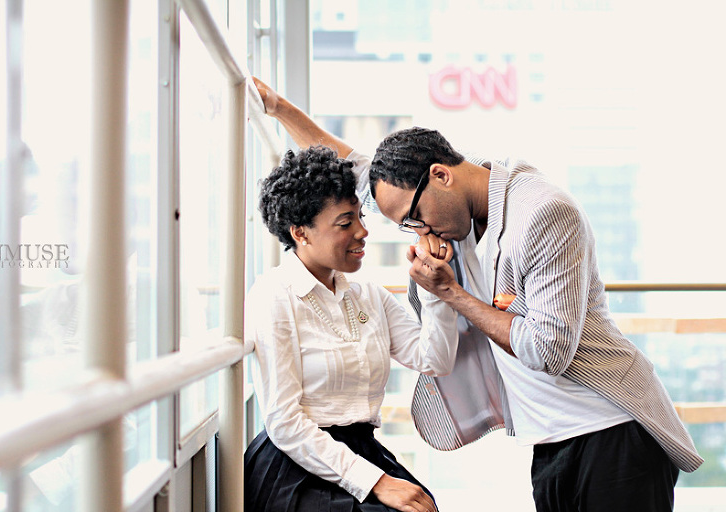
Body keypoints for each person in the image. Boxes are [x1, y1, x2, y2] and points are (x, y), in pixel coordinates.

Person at [252, 77, 703, 512]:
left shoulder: (542, 212)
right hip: (548, 439)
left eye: (414, 218)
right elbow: (355, 169)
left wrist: (449, 293)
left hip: (609, 427)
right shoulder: (443, 204)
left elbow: (547, 349)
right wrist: (279, 108)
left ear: (441, 175)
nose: (421, 232)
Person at [244, 144, 460, 512]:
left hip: (362, 450)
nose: (362, 231)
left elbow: (434, 359)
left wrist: (436, 289)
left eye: (359, 216)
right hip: (296, 464)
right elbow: (284, 421)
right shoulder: (274, 295)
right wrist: (376, 482)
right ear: (301, 233)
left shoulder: (367, 294)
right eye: (345, 223)